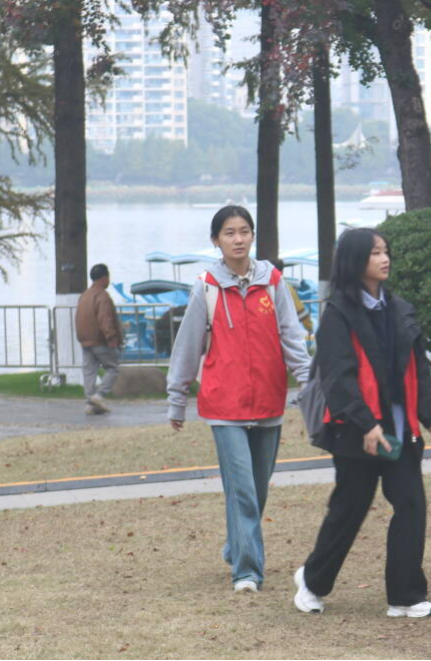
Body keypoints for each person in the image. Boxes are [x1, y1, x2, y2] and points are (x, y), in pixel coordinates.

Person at [293, 228, 431, 619]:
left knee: (411, 506)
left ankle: (405, 597)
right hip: (354, 432)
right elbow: (338, 379)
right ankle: (312, 582)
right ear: (355, 260)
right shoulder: (338, 313)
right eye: (375, 252)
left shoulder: (400, 309)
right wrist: (366, 424)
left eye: (385, 251)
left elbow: (416, 369)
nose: (385, 258)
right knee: (349, 511)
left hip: (400, 431)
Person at [166, 205, 312, 594]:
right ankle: (247, 571)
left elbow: (291, 337)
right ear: (216, 240)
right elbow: (187, 347)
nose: (238, 239)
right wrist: (177, 399)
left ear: (253, 236)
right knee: (243, 489)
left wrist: (309, 383)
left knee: (257, 490)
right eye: (229, 233)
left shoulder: (274, 282)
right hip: (224, 406)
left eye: (244, 231)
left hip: (268, 402)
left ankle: (236, 545)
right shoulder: (207, 287)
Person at [75, 263, 123, 415]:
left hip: (85, 340)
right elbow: (105, 318)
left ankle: (90, 403)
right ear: (104, 278)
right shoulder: (102, 296)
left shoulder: (85, 295)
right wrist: (111, 337)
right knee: (113, 368)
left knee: (89, 371)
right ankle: (99, 396)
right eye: (108, 277)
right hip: (100, 339)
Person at [269, 258, 314, 336]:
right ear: (282, 271)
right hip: (283, 330)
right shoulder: (287, 287)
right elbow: (300, 311)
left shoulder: (263, 287)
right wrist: (309, 327)